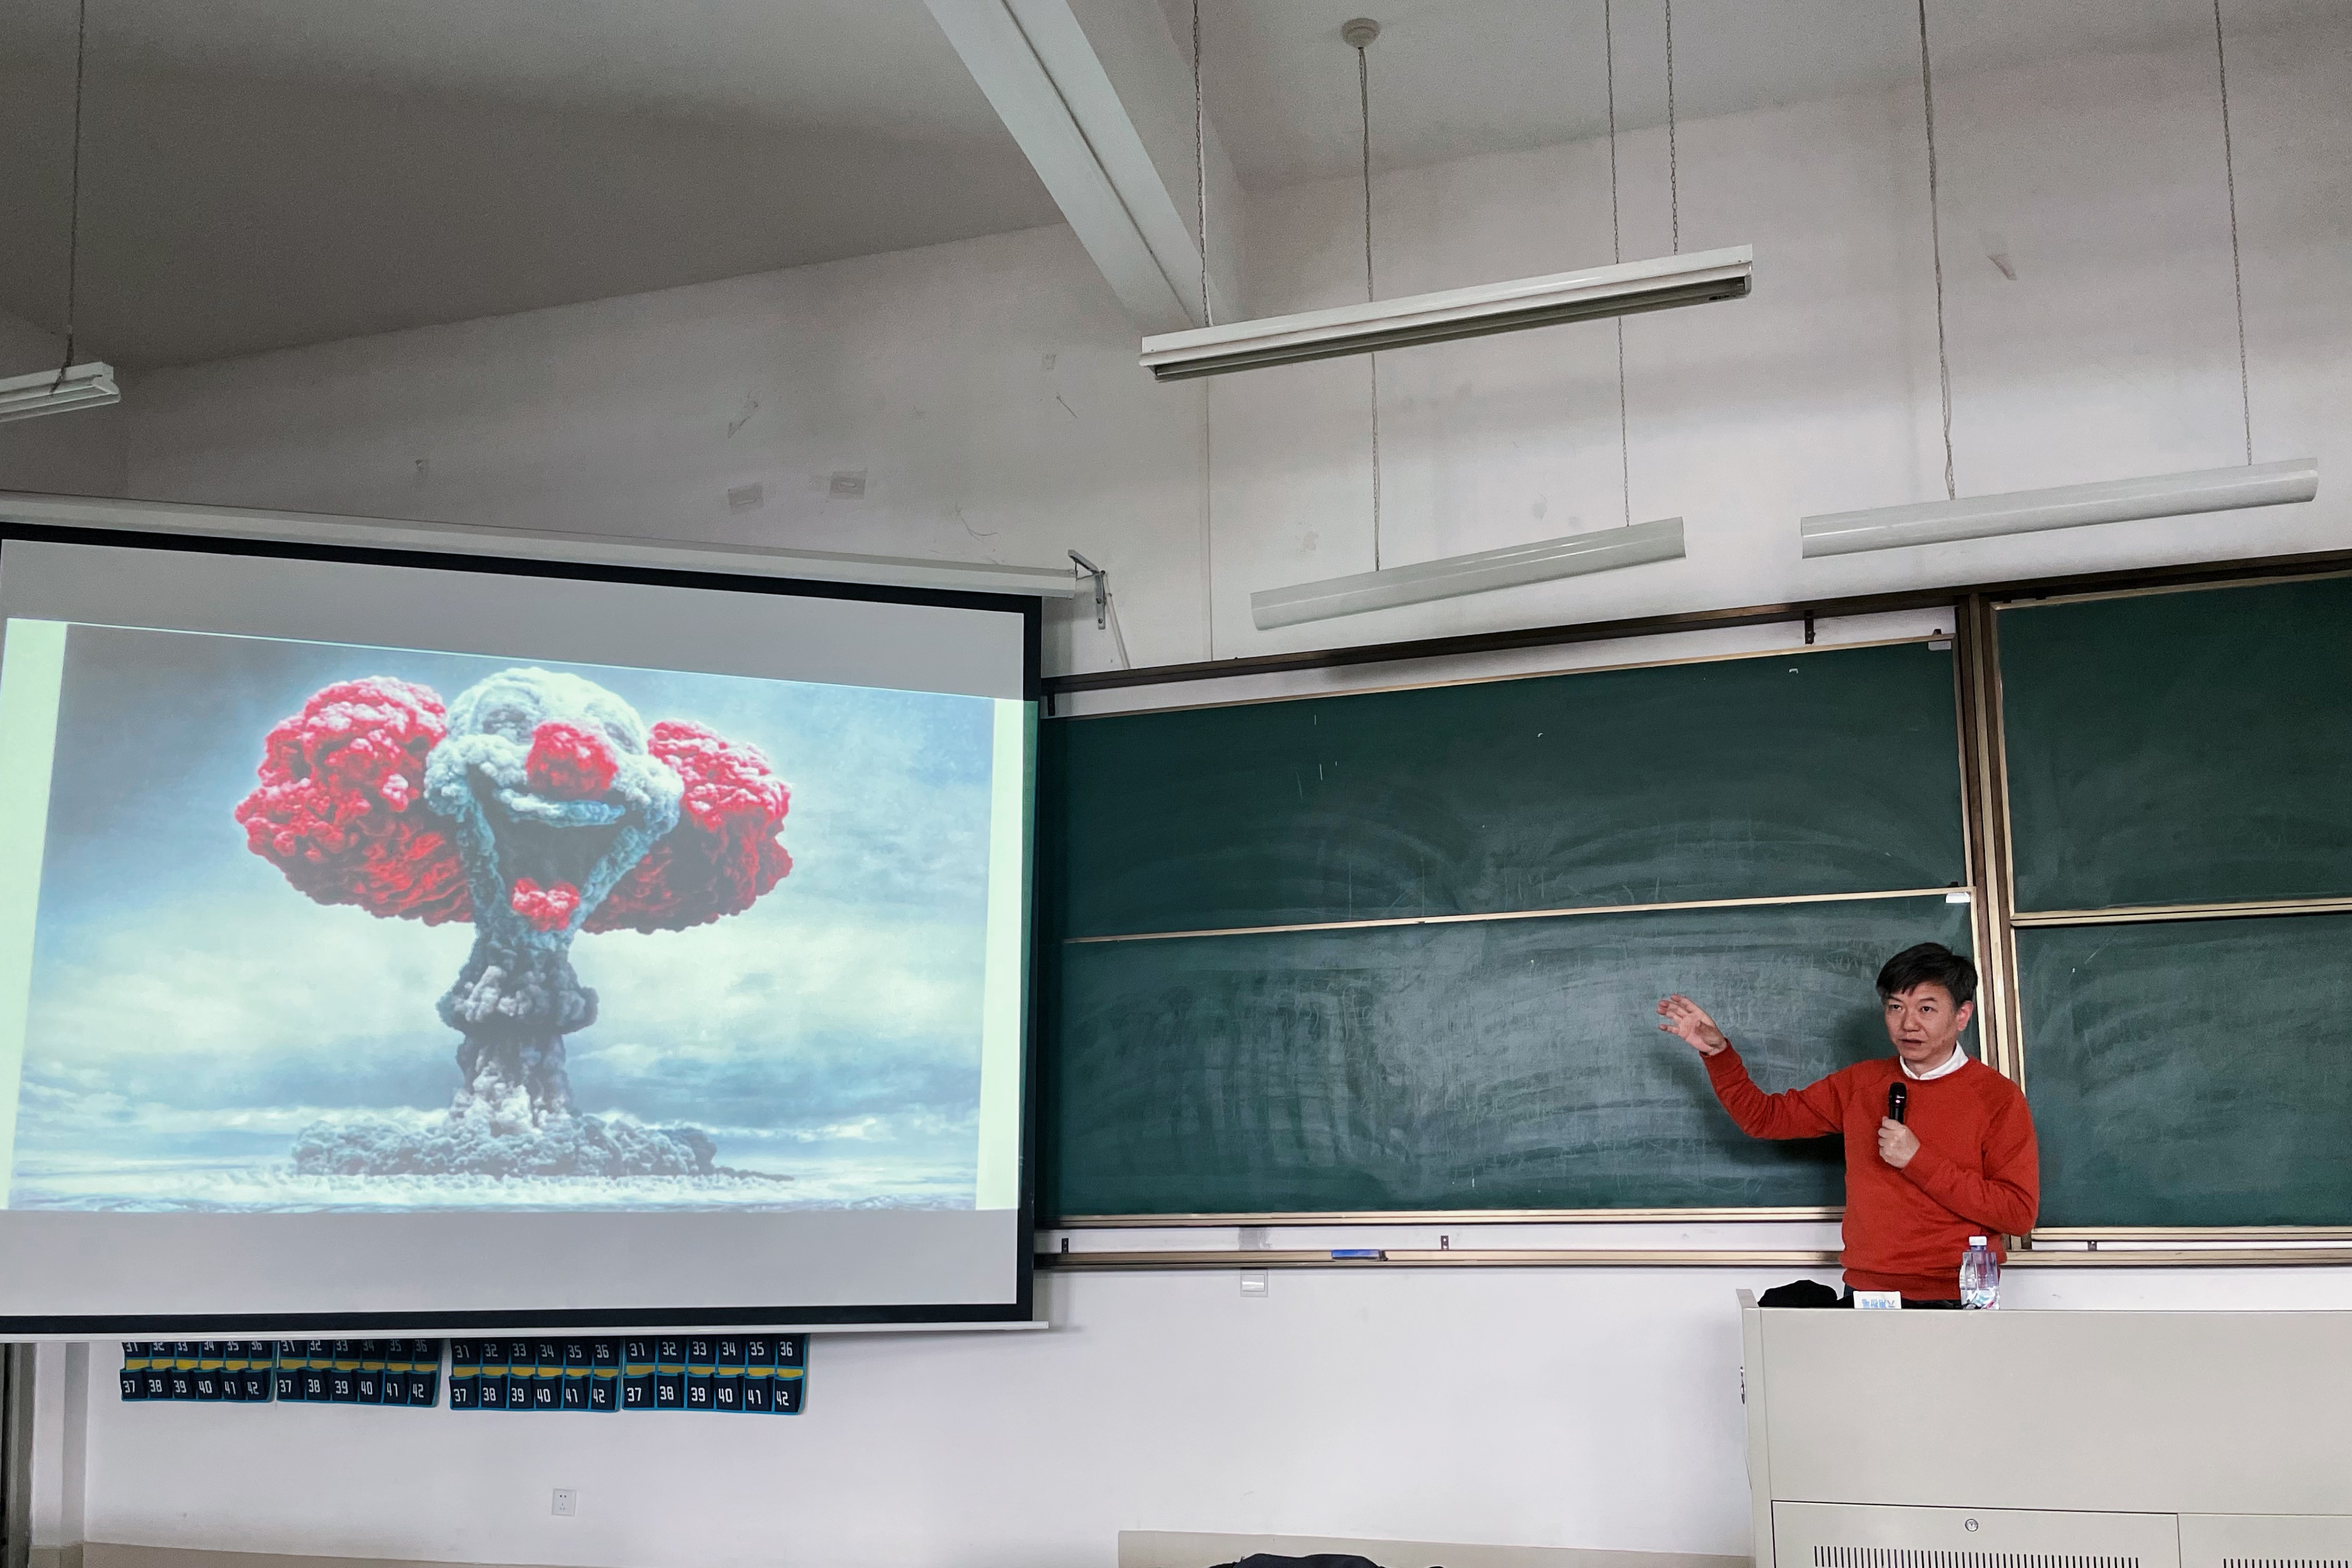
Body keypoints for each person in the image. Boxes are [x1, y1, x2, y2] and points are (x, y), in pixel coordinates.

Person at [1656, 942, 2038, 1306]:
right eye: (1895, 1007)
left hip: (1960, 1295)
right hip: (1868, 1290)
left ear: (1962, 1015)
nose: (1908, 1024)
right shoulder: (1860, 1084)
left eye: (1926, 1009)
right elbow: (1764, 1118)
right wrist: (1718, 1053)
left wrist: (1918, 1160)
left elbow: (2018, 1214)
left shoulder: (1998, 1098)